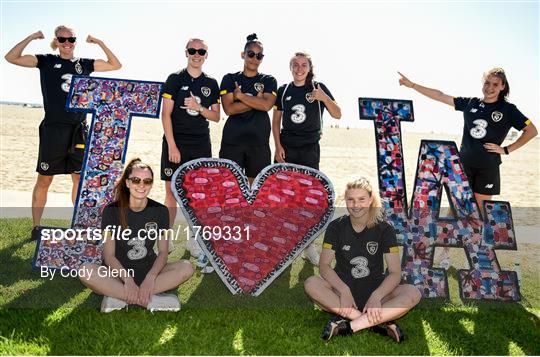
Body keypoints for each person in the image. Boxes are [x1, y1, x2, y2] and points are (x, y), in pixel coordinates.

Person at [398, 69, 537, 269]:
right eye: (487, 83)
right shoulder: (471, 103)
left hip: (487, 169)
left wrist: (506, 149)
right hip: (461, 167)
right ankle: (445, 254)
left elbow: (531, 130)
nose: (490, 88)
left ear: (503, 87)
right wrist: (413, 85)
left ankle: (473, 256)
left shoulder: (508, 110)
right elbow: (440, 95)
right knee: (455, 211)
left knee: (478, 214)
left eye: (495, 84)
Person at [4, 26, 122, 236]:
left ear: (75, 41)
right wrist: (31, 36)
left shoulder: (84, 64)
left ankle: (79, 225)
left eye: (71, 39)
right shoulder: (46, 61)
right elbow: (11, 57)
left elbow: (116, 65)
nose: (67, 43)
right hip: (53, 129)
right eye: (62, 39)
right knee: (45, 178)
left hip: (78, 130)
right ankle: (36, 227)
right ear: (56, 41)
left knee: (78, 179)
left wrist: (99, 42)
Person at [304, 178, 421, 342]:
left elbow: (395, 273)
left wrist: (377, 296)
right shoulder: (336, 227)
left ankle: (350, 326)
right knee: (311, 283)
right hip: (341, 294)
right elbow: (324, 266)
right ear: (345, 200)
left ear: (370, 200)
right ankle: (375, 323)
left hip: (375, 291)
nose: (356, 205)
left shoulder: (384, 229)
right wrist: (344, 290)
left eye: (361, 199)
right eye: (351, 199)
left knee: (412, 293)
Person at [79, 158, 194, 312]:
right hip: (117, 275)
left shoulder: (160, 211)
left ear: (151, 184)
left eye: (147, 181)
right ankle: (148, 301)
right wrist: (127, 280)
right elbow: (109, 255)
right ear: (127, 183)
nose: (141, 185)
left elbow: (163, 252)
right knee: (85, 270)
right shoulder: (111, 211)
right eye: (136, 180)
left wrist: (151, 277)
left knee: (187, 267)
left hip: (149, 269)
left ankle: (118, 297)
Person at [272, 51, 342, 266]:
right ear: (290, 67)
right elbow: (276, 121)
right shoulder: (283, 90)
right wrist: (277, 146)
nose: (300, 68)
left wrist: (324, 99)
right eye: (295, 64)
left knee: (308, 199)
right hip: (287, 148)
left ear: (310, 68)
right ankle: (284, 244)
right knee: (284, 197)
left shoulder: (318, 88)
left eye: (304, 65)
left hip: (310, 149)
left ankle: (308, 245)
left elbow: (338, 114)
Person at [160, 38, 220, 260]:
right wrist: (172, 146)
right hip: (176, 143)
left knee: (198, 196)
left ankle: (194, 241)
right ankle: (164, 242)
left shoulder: (211, 83)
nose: (197, 54)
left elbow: (216, 116)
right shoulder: (175, 79)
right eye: (193, 50)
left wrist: (198, 107)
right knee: (171, 195)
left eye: (201, 51)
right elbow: (165, 114)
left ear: (206, 54)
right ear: (186, 53)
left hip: (201, 144)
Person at [219, 33, 277, 184]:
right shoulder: (229, 79)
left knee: (256, 190)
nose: (254, 59)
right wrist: (256, 100)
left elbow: (266, 106)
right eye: (251, 54)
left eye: (259, 56)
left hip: (259, 144)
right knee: (230, 188)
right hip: (232, 142)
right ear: (243, 54)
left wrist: (241, 96)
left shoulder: (269, 80)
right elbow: (229, 109)